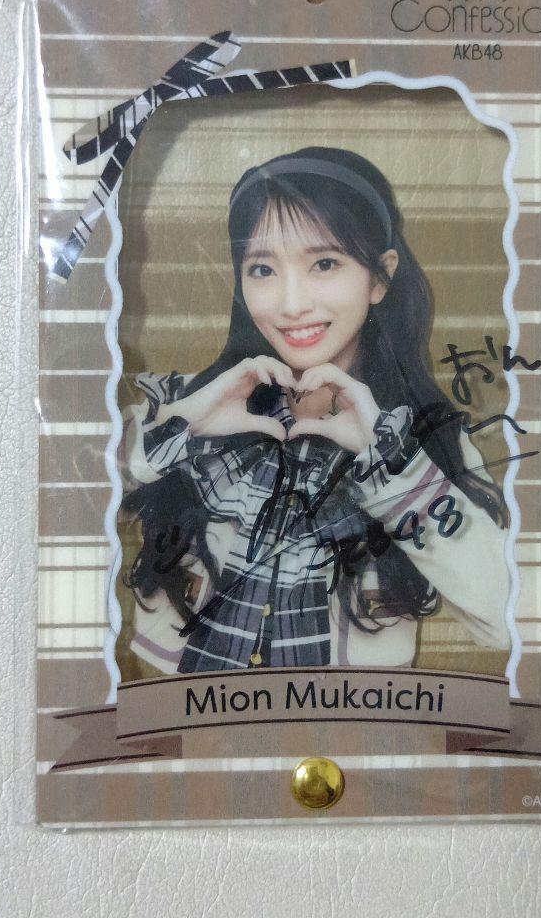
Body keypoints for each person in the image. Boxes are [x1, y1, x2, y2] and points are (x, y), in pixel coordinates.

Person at [120, 146, 512, 674]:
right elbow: (59, 507)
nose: (291, 304)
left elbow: (505, 618)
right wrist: (182, 426)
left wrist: (391, 468)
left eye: (324, 263)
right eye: (262, 268)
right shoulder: (178, 404)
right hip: (182, 715)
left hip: (352, 718)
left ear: (380, 277)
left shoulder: (426, 442)